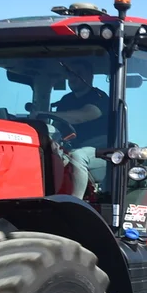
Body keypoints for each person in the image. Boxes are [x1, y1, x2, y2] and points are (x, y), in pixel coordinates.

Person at [49, 57, 111, 197]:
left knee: (78, 157)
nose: (72, 77)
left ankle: (76, 204)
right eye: (70, 73)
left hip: (100, 150)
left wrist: (46, 113)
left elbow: (83, 115)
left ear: (89, 76)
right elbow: (57, 126)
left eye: (78, 73)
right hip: (70, 146)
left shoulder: (100, 97)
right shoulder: (66, 100)